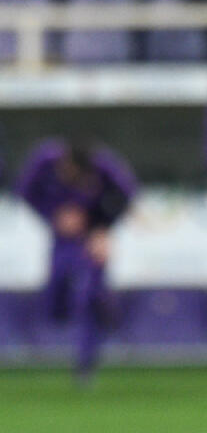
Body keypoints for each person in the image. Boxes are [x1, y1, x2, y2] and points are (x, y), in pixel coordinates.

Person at [17, 139, 137, 381]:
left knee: (86, 298)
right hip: (62, 240)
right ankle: (105, 304)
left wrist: (103, 229)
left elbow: (126, 196)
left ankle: (85, 364)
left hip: (90, 239)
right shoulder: (44, 162)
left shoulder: (104, 167)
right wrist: (54, 217)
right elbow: (26, 192)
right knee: (56, 298)